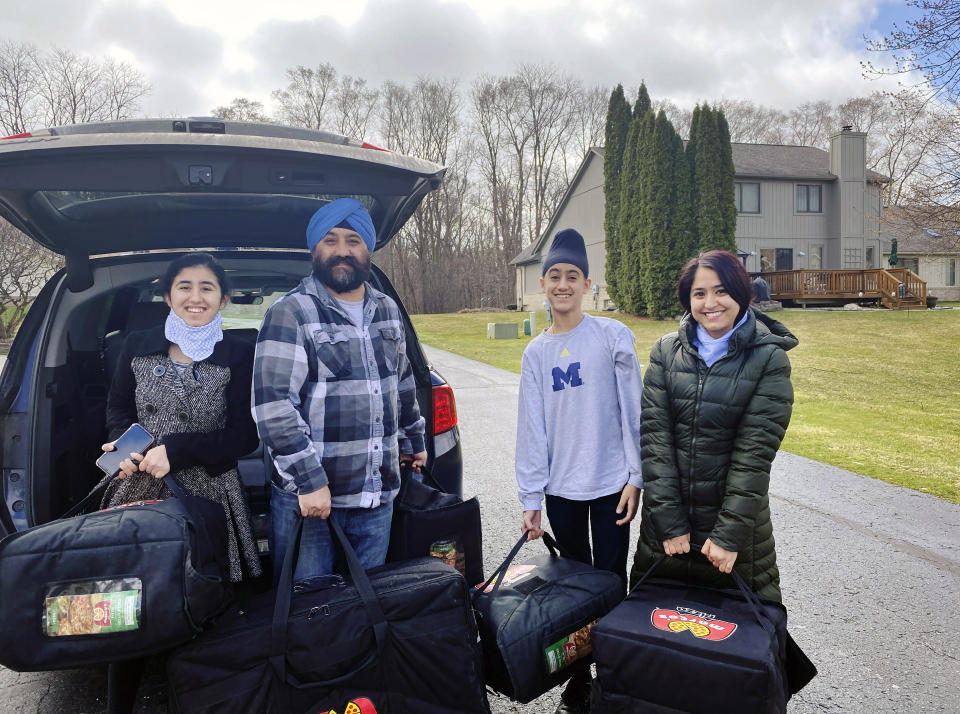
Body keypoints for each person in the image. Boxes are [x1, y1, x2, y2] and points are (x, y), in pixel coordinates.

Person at [98, 252, 262, 714]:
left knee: (206, 600)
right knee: (131, 602)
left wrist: (179, 451)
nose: (196, 296)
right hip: (138, 492)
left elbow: (243, 435)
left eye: (207, 287)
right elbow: (118, 412)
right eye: (185, 286)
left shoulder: (238, 352)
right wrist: (122, 445)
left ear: (223, 298)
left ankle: (204, 696)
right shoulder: (137, 343)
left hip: (210, 495)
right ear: (168, 295)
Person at [252, 197, 426, 583]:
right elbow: (273, 406)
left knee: (368, 610)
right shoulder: (291, 312)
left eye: (353, 240)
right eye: (330, 240)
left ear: (368, 249)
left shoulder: (386, 310)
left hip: (377, 496)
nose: (342, 251)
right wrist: (310, 482)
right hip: (312, 502)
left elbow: (401, 382)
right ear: (315, 249)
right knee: (310, 615)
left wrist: (414, 439)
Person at [515, 229, 643, 714]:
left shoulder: (611, 337)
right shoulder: (536, 354)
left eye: (573, 276)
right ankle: (580, 676)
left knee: (610, 580)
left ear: (587, 284)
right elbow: (533, 430)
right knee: (574, 588)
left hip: (611, 483)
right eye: (554, 276)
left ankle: (616, 673)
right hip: (563, 490)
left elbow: (634, 412)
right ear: (542, 285)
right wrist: (533, 499)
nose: (563, 284)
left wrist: (637, 477)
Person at [630, 249, 797, 602]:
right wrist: (670, 523)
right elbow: (655, 440)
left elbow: (753, 457)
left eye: (721, 291)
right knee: (656, 639)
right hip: (666, 534)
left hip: (731, 542)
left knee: (732, 644)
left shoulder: (769, 359)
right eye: (699, 293)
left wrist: (728, 536)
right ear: (687, 299)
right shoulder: (665, 351)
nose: (711, 303)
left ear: (740, 292)